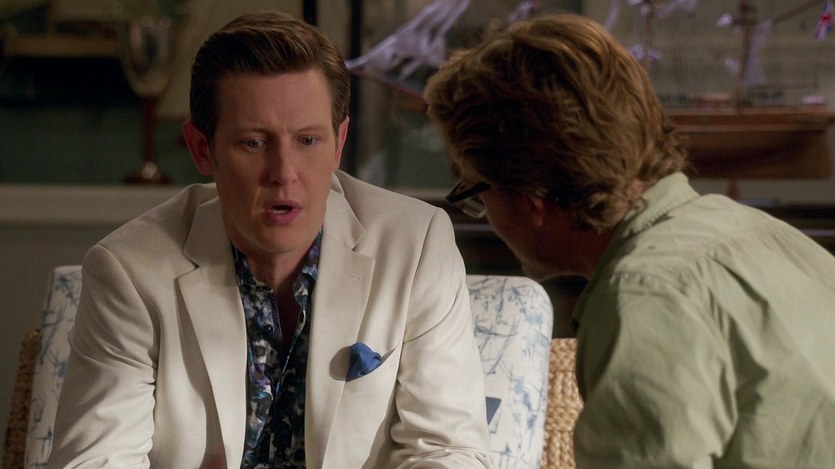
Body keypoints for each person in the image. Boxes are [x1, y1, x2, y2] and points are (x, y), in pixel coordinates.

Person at [48, 11, 491, 469]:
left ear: (339, 143)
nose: (284, 173)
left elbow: (448, 450)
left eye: (307, 141)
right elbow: (94, 462)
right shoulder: (129, 271)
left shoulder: (416, 247)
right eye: (254, 143)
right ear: (202, 149)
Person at [425, 12, 835, 468]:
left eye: (475, 193)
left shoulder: (644, 297)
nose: (485, 215)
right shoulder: (758, 232)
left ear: (531, 199)